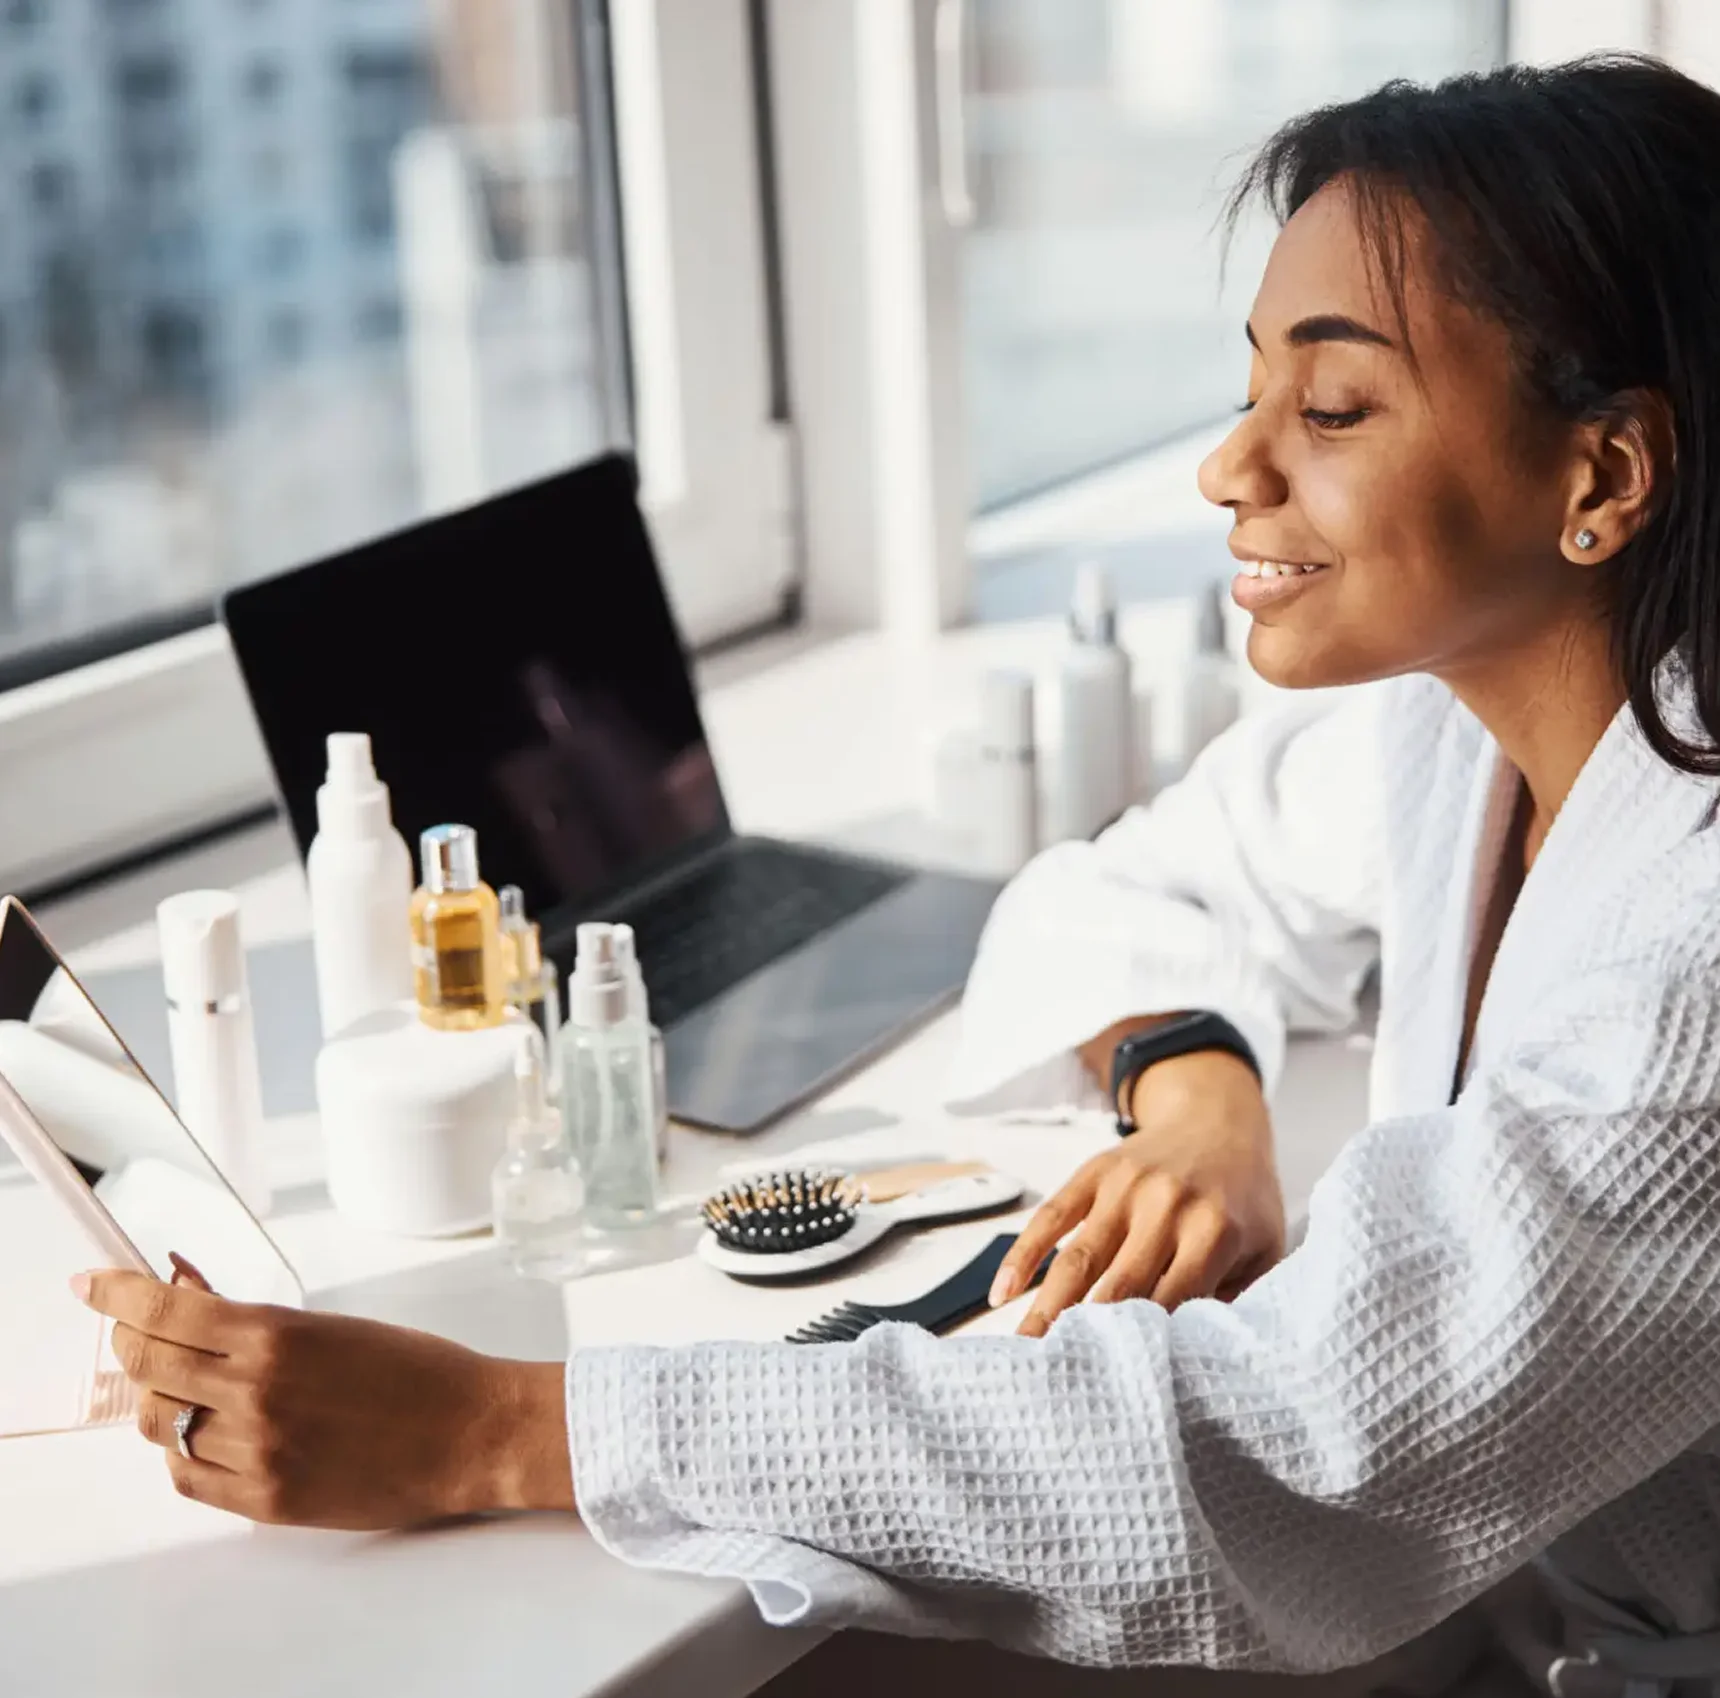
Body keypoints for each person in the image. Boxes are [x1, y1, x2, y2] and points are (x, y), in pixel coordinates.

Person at [74, 54, 1720, 1696]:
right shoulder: (1465, 735)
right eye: (1251, 390)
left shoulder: (1686, 986)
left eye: (1334, 408)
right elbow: (1131, 886)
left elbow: (1281, 1435)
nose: (1230, 469)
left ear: (1603, 479)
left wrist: (497, 1425)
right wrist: (1197, 1098)